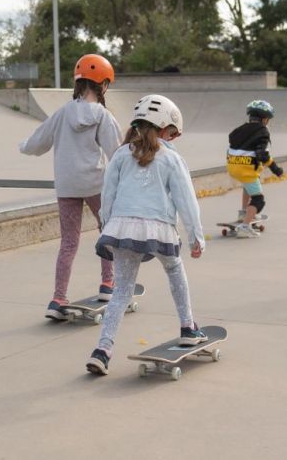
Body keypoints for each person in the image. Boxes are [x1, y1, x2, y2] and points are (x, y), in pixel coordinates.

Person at [86, 94, 207, 376]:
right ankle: (188, 326)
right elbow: (186, 201)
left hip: (122, 228)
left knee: (121, 292)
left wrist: (107, 225)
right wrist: (195, 237)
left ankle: (102, 350)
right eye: (173, 133)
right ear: (165, 129)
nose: (173, 139)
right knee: (175, 269)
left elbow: (109, 194)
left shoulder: (120, 154)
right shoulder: (172, 159)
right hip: (158, 229)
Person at [19, 54, 122, 319]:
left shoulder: (63, 113)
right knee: (107, 232)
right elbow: (116, 151)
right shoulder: (102, 115)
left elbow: (38, 142)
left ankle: (58, 298)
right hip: (95, 183)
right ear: (103, 84)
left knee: (68, 242)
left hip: (66, 185)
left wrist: (24, 146)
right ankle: (108, 284)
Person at [226, 100, 284, 238]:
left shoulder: (238, 129)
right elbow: (262, 154)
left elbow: (232, 141)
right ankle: (245, 226)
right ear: (264, 119)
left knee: (247, 186)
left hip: (233, 167)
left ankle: (244, 213)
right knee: (259, 200)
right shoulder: (263, 131)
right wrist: (276, 169)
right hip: (246, 170)